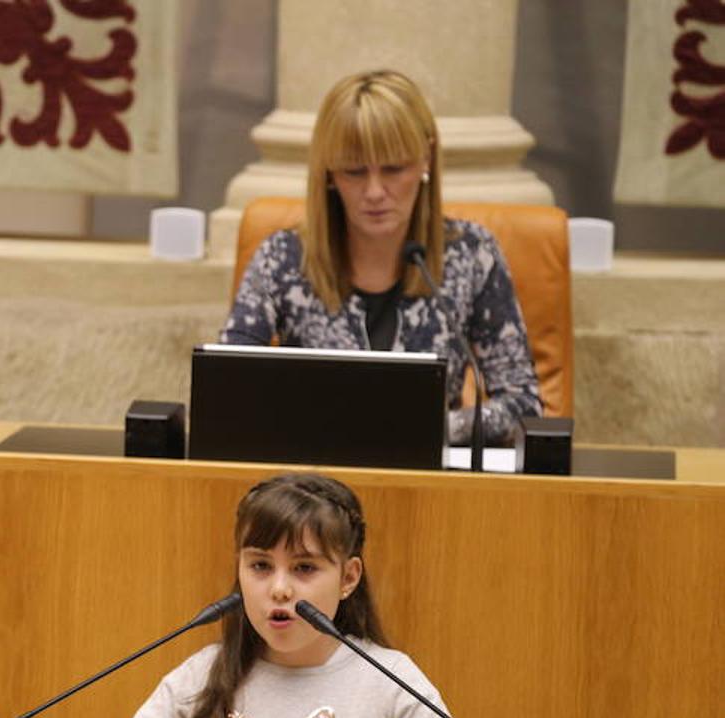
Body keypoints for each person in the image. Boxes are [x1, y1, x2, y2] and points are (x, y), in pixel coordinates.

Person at [75, 473, 492, 718]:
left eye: (304, 568)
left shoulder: (390, 680)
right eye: (260, 566)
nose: (279, 589)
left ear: (348, 577)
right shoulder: (204, 675)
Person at [220, 70, 541, 446]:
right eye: (355, 171)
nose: (374, 192)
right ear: (328, 173)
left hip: (428, 485)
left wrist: (430, 429)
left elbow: (522, 404)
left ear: (426, 158)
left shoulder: (472, 255)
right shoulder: (283, 259)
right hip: (311, 487)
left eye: (393, 168)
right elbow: (227, 389)